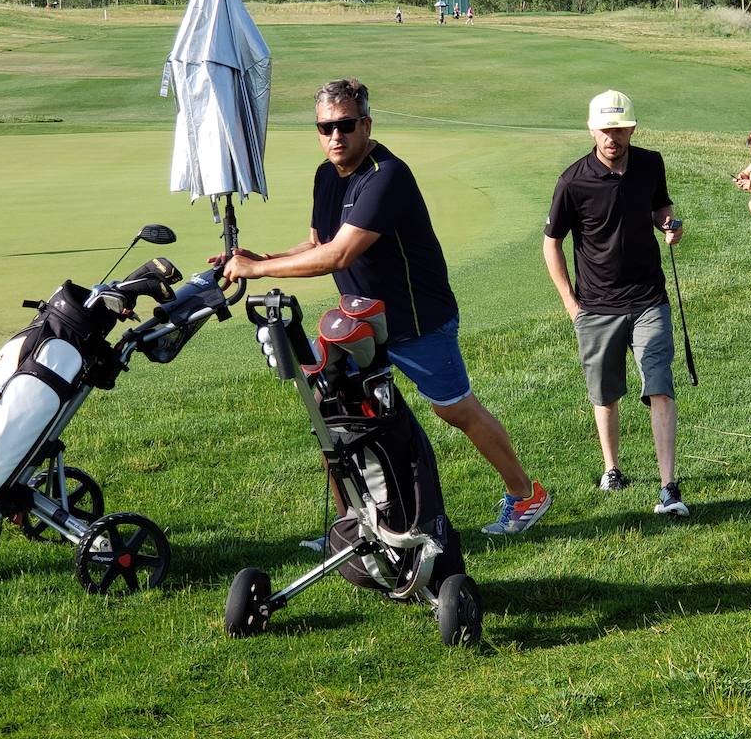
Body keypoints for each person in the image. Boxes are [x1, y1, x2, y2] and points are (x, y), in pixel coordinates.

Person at [220, 78, 551, 536]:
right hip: (359, 322)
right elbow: (318, 243)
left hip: (415, 320)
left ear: (366, 124)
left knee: (455, 410)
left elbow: (339, 256)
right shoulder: (325, 176)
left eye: (345, 125)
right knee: (332, 415)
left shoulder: (386, 175)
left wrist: (259, 273)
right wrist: (263, 258)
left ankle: (526, 495)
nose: (335, 136)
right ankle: (352, 524)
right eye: (325, 127)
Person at [543, 89, 689, 518]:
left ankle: (669, 485)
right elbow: (551, 244)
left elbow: (661, 206)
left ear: (631, 128)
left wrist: (669, 225)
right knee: (605, 393)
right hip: (597, 304)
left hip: (648, 298)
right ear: (592, 129)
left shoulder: (650, 163)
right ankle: (612, 469)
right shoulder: (573, 180)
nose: (613, 136)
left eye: (620, 128)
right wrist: (571, 304)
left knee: (659, 385)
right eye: (606, 129)